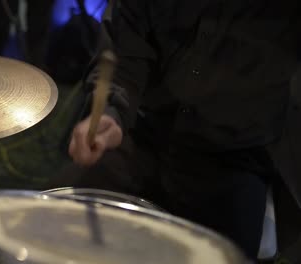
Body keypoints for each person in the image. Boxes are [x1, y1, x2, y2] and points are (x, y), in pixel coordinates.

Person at [60, 0, 301, 260]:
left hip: (234, 158)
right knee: (52, 229)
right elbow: (123, 59)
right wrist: (111, 113)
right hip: (144, 136)